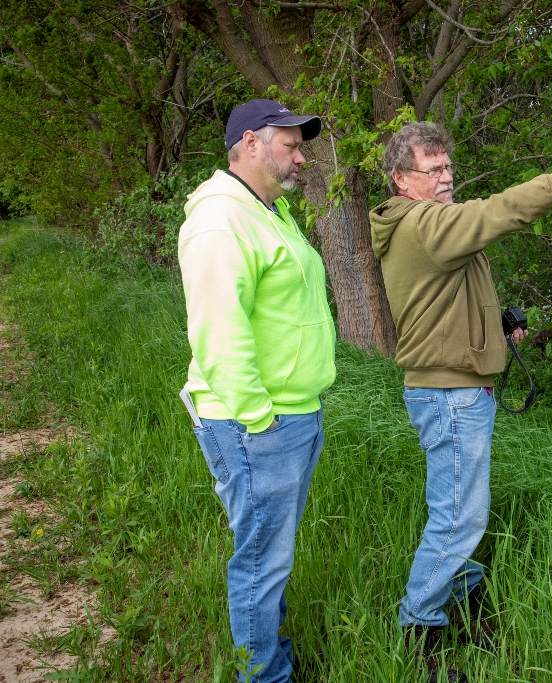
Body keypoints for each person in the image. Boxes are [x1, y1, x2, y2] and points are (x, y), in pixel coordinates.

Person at [369, 122, 552, 677]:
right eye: (432, 170)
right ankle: (419, 631)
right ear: (401, 179)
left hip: (456, 389)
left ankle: (464, 605)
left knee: (461, 513)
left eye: (448, 166)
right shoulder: (424, 223)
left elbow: (445, 300)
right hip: (450, 395)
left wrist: (492, 327)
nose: (446, 177)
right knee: (458, 521)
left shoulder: (427, 225)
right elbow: (503, 211)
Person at [178, 99, 335, 683]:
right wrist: (259, 418)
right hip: (255, 424)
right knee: (261, 562)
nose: (301, 157)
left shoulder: (269, 211)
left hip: (294, 414)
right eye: (291, 146)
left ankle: (271, 656)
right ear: (250, 143)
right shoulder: (221, 219)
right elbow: (219, 331)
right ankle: (264, 676)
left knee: (272, 554)